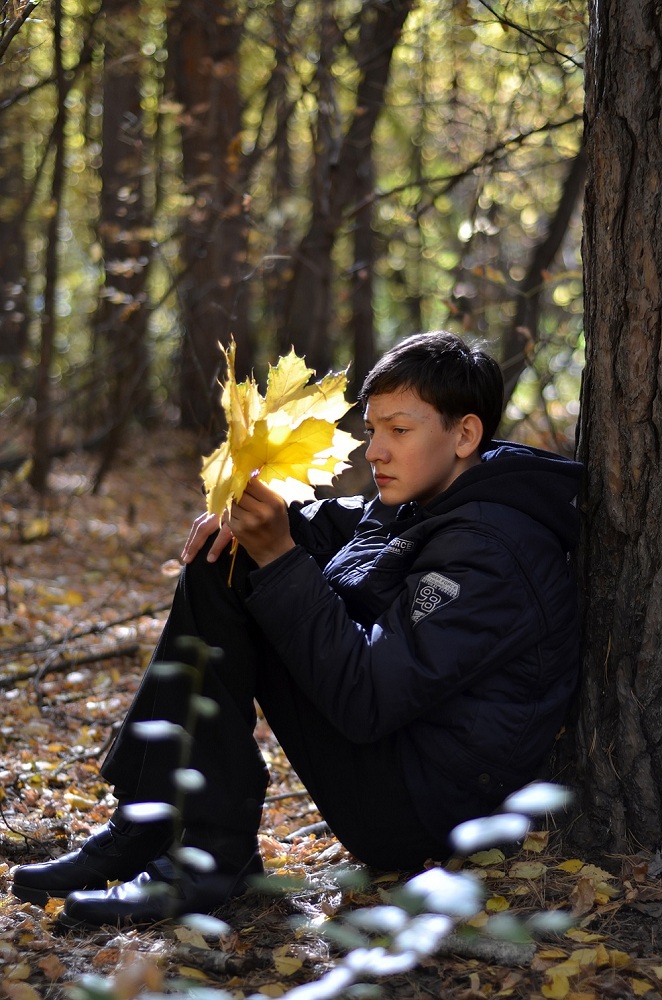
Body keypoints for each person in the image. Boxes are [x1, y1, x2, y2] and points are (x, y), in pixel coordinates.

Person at [11, 331, 581, 930]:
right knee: (225, 561)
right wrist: (257, 522)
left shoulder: (492, 550)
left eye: (400, 430)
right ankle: (149, 827)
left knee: (250, 572)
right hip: (403, 758)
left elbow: (367, 700)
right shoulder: (429, 494)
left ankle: (205, 856)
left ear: (465, 434)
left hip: (426, 806)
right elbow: (341, 527)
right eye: (372, 429)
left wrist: (279, 557)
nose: (376, 452)